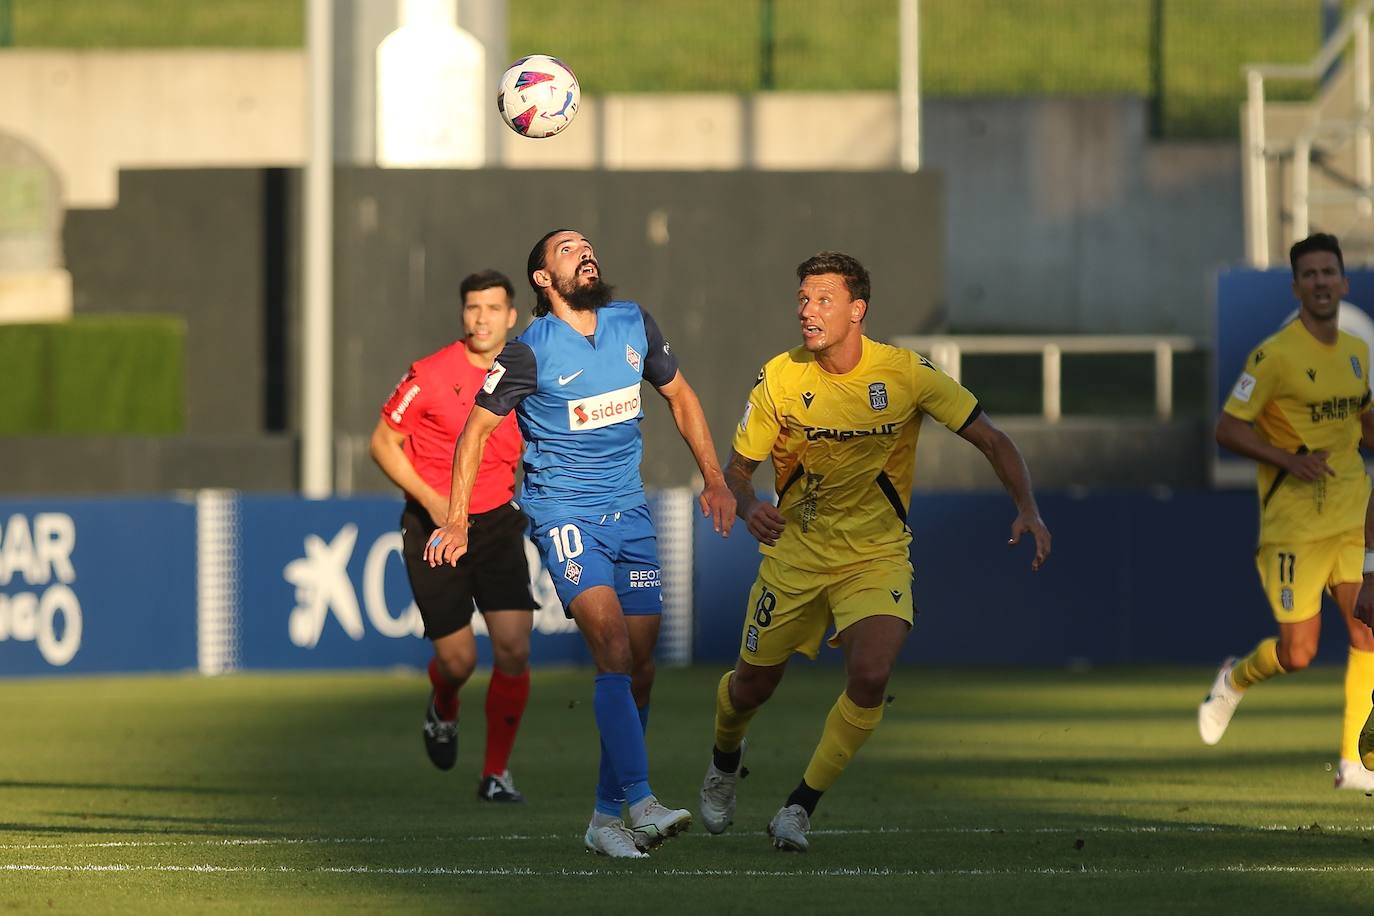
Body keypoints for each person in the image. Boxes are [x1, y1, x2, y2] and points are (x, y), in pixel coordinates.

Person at [698, 251, 1051, 852]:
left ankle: (798, 808)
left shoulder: (906, 373)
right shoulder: (781, 377)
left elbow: (990, 437)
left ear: (857, 310)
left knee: (871, 673)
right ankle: (723, 763)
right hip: (796, 554)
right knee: (751, 689)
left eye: (823, 300)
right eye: (804, 299)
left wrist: (1028, 507)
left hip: (876, 555)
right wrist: (750, 500)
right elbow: (736, 469)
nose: (807, 311)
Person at [426, 229, 735, 858]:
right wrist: (456, 519)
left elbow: (680, 397)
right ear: (542, 278)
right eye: (567, 249)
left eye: (588, 245)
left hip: (631, 516)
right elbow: (474, 433)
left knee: (640, 667)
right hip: (565, 515)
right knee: (614, 648)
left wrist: (715, 479)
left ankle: (602, 818)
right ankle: (642, 802)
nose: (585, 252)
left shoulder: (633, 324)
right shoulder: (527, 352)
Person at [1199, 232, 1374, 792]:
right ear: (1298, 286)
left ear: (1344, 283)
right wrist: (1284, 460)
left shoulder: (1357, 351)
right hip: (1294, 526)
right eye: (1311, 274)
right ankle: (1235, 677)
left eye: (1330, 272)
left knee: (1367, 629)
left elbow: (1361, 422)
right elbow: (1227, 427)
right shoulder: (1273, 357)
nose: (1322, 282)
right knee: (1299, 652)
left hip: (1351, 511)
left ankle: (1354, 761)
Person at [372, 269, 535, 803]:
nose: (481, 317)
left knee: (513, 648)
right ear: (462, 314)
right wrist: (436, 501)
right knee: (460, 661)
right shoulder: (431, 373)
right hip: (435, 526)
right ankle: (444, 704)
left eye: (492, 308)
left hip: (495, 523)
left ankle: (495, 774)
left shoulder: (527, 373)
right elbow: (383, 443)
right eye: (473, 308)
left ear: (512, 317)